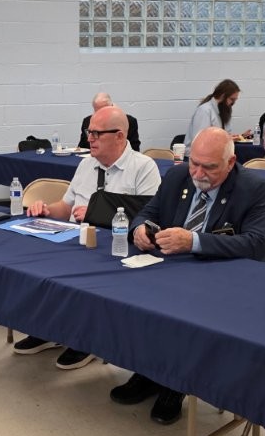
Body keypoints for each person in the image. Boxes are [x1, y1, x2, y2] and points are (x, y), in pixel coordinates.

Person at [110, 127, 265, 424]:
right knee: (141, 301)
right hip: (176, 269)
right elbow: (147, 212)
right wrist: (140, 229)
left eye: (209, 167)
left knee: (189, 313)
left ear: (230, 162)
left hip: (228, 277)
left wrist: (194, 241)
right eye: (194, 163)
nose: (198, 173)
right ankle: (148, 370)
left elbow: (257, 243)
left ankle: (177, 382)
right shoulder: (177, 176)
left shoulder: (253, 187)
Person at [14, 105, 160, 369]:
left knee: (83, 278)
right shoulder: (86, 164)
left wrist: (98, 213)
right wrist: (47, 210)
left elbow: (148, 219)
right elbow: (66, 206)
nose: (89, 138)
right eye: (88, 132)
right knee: (36, 266)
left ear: (119, 136)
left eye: (96, 133)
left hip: (113, 249)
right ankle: (49, 329)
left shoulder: (143, 167)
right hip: (74, 242)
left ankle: (86, 339)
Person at [183, 79, 241, 155]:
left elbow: (225, 134)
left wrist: (234, 137)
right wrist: (225, 140)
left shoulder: (224, 110)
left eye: (235, 100)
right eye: (232, 99)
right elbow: (200, 140)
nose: (233, 103)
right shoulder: (204, 110)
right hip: (197, 155)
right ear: (222, 96)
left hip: (214, 153)